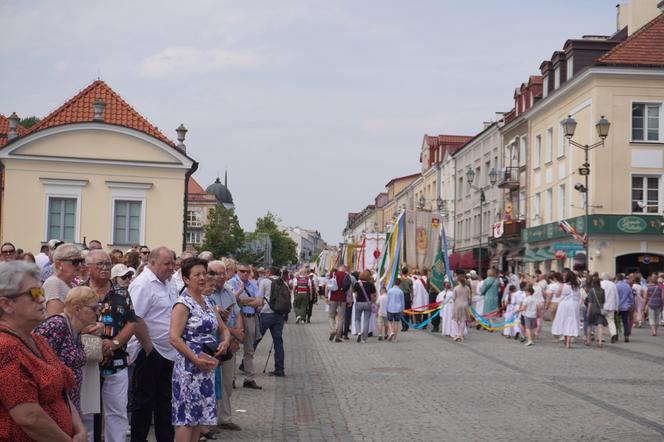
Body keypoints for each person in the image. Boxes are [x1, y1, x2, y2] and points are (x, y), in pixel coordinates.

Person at [0, 261, 87, 441]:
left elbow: (61, 391)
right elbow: (29, 417)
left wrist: (80, 430)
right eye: (34, 293)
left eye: (41, 292)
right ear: (7, 304)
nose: (41, 299)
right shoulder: (5, 348)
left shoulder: (38, 340)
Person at [169, 258, 230, 442]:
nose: (202, 278)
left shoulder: (208, 301)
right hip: (189, 368)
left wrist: (225, 342)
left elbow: (223, 328)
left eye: (205, 273)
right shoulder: (182, 304)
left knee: (198, 418)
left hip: (207, 366)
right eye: (197, 275)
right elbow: (173, 337)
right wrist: (194, 360)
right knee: (186, 419)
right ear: (186, 279)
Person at [128, 246, 178, 442]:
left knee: (165, 402)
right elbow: (136, 318)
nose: (171, 267)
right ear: (152, 262)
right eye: (167, 263)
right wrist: (149, 348)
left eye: (173, 263)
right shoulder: (142, 284)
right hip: (149, 351)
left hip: (168, 351)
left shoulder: (169, 283)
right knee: (144, 402)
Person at [34, 286, 99, 412]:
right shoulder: (56, 326)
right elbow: (38, 365)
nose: (97, 312)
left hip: (69, 405)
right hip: (52, 407)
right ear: (77, 309)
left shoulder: (76, 330)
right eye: (94, 308)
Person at [208, 260, 244, 431]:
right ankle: (211, 421)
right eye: (218, 273)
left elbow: (236, 313)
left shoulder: (229, 292)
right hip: (213, 343)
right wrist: (234, 332)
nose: (222, 276)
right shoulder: (206, 295)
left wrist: (238, 334)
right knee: (213, 382)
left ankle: (225, 418)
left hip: (229, 342)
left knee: (227, 382)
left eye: (223, 273)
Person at [228, 262, 263, 389]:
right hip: (237, 317)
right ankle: (231, 378)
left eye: (247, 271)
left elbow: (259, 301)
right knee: (233, 347)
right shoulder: (232, 283)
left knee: (249, 349)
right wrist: (249, 300)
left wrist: (245, 301)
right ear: (237, 271)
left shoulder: (253, 284)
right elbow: (236, 300)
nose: (245, 273)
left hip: (250, 318)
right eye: (242, 271)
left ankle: (249, 378)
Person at [258, 267, 287, 377]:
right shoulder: (283, 283)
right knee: (278, 342)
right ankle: (279, 369)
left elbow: (259, 298)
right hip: (279, 315)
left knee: (257, 338)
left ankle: (245, 364)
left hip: (266, 313)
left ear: (269, 272)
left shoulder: (264, 282)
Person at [44, 243, 83, 316]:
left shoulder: (71, 284)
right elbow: (55, 322)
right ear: (59, 264)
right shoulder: (54, 283)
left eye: (81, 261)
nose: (80, 266)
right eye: (75, 262)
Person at [551, 271, 582, 349]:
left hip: (564, 304)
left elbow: (557, 295)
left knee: (564, 321)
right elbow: (578, 297)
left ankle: (565, 340)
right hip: (574, 304)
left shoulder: (563, 285)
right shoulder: (577, 286)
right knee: (571, 322)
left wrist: (560, 288)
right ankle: (568, 341)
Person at [328, 265, 351, 343]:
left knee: (331, 316)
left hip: (333, 298)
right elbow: (348, 287)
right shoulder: (346, 276)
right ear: (344, 269)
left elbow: (328, 285)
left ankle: (332, 329)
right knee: (341, 318)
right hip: (342, 299)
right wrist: (349, 298)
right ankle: (338, 337)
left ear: (338, 269)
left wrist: (326, 296)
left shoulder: (333, 274)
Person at [353, 270, 376, 343]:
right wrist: (373, 303)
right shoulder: (371, 285)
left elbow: (355, 294)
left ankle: (358, 332)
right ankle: (364, 339)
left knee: (357, 319)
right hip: (367, 303)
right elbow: (373, 296)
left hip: (359, 302)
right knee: (366, 320)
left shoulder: (357, 284)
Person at [600, 273, 620, 343]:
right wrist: (617, 307)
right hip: (611, 306)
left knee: (601, 322)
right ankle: (613, 334)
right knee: (611, 321)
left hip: (602, 306)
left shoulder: (600, 284)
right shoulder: (613, 284)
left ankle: (601, 337)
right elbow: (616, 296)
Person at [452, 274, 471, 343]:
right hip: (465, 304)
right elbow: (469, 297)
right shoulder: (467, 288)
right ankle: (461, 335)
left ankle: (457, 334)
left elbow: (453, 298)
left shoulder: (456, 288)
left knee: (456, 320)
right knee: (463, 321)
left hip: (457, 304)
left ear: (458, 281)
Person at [616, 273, 634, 343]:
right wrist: (631, 305)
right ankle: (626, 336)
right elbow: (631, 297)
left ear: (617, 278)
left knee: (616, 322)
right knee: (625, 321)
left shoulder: (616, 286)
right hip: (625, 307)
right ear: (623, 278)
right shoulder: (628, 286)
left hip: (617, 307)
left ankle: (616, 335)